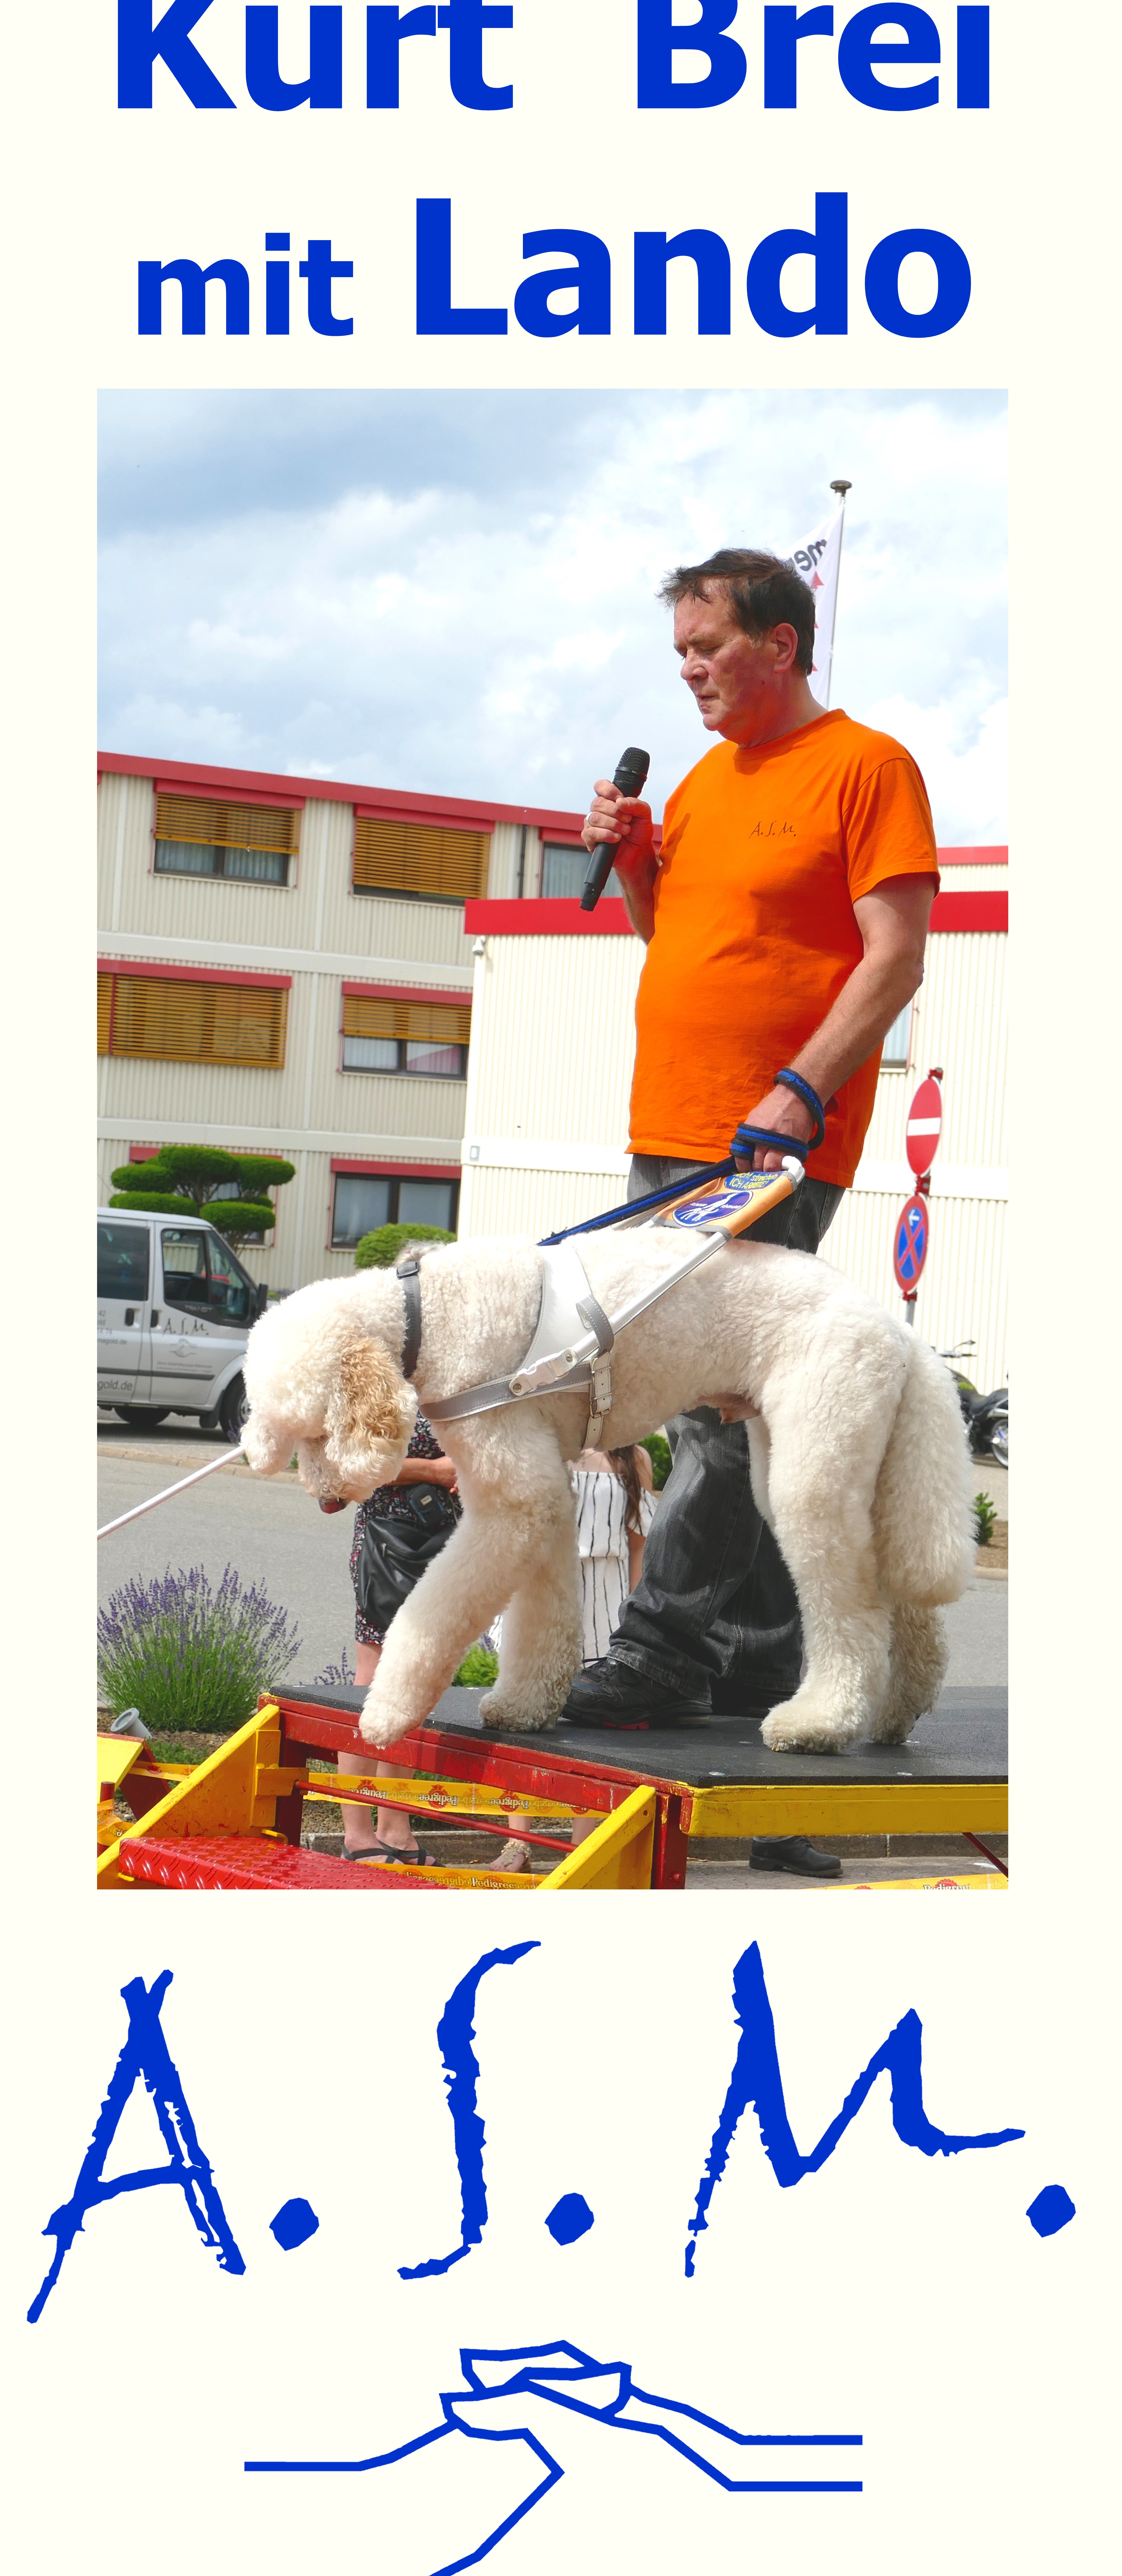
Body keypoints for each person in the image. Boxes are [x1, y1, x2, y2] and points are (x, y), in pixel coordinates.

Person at [560, 546, 940, 1880]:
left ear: (780, 642)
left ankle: (659, 1648)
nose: (692, 676)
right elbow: (681, 945)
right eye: (679, 658)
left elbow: (893, 955)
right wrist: (639, 866)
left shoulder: (867, 767)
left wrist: (798, 1092)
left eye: (709, 650)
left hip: (769, 1142)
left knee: (727, 1407)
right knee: (693, 1403)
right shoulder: (710, 782)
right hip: (664, 1138)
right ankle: (777, 1680)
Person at [490, 1443, 656, 1873]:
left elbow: (638, 1546)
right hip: (543, 1592)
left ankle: (581, 1848)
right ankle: (516, 1843)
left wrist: (634, 1616)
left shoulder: (634, 1457)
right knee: (521, 1724)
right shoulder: (549, 1442)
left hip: (608, 1602)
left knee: (596, 1732)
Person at [334, 1412, 460, 1864]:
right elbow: (352, 1466)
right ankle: (357, 1834)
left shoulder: (445, 1379)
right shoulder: (381, 1383)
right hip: (388, 1544)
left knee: (419, 1687)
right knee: (372, 1682)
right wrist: (435, 1471)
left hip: (444, 1541)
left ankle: (396, 1828)